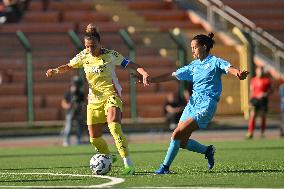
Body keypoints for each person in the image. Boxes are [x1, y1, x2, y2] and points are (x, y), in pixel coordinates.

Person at [134, 32, 249, 174]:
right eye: (191, 47)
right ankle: (207, 150)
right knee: (181, 141)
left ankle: (164, 168)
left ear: (204, 47)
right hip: (192, 105)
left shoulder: (214, 61)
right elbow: (172, 75)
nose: (193, 50)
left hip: (206, 105)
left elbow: (229, 68)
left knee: (176, 134)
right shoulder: (193, 66)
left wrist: (238, 73)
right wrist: (151, 80)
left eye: (195, 47)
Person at [46, 23, 150, 175]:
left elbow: (131, 64)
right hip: (93, 100)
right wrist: (55, 71)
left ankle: (128, 164)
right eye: (87, 46)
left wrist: (144, 72)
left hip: (111, 95)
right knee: (94, 139)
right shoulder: (83, 56)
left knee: (114, 127)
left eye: (92, 46)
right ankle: (108, 156)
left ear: (100, 44)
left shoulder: (110, 55)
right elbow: (69, 66)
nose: (90, 49)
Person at [246, 66, 272, 139]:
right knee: (253, 115)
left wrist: (265, 93)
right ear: (256, 71)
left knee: (263, 116)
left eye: (261, 71)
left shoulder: (267, 80)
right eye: (259, 71)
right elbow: (251, 91)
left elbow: (271, 90)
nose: (260, 72)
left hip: (263, 100)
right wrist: (250, 101)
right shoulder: (253, 80)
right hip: (255, 100)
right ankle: (250, 132)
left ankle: (262, 133)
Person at [61, 75, 85, 147]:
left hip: (78, 112)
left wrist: (80, 107)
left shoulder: (80, 94)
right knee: (68, 126)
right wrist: (69, 106)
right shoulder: (68, 93)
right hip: (70, 112)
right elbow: (63, 103)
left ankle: (79, 139)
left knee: (80, 125)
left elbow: (83, 103)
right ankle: (66, 140)